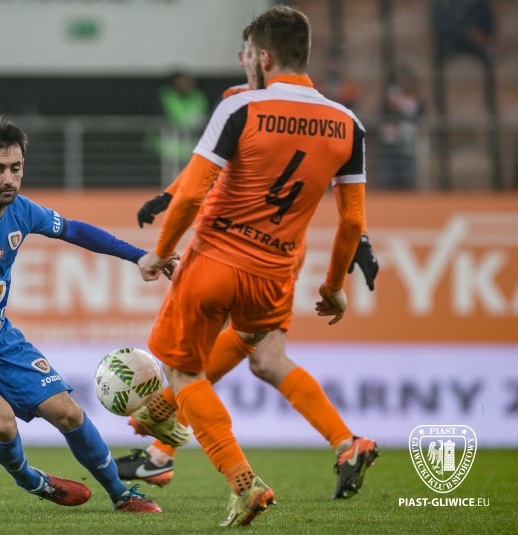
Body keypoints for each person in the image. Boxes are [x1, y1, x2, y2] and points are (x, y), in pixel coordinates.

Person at [134, 7, 377, 527]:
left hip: (216, 259)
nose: (242, 60)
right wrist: (334, 286)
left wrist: (160, 250)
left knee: (185, 371)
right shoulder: (348, 123)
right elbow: (353, 221)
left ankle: (233, 478)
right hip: (276, 272)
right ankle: (162, 433)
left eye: (246, 53)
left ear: (262, 58)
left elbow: (196, 190)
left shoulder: (241, 106)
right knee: (259, 351)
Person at [0, 117, 166, 513]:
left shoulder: (22, 211)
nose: (9, 179)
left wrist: (139, 256)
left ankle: (121, 494)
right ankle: (29, 478)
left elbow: (75, 230)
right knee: (2, 422)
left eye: (15, 168)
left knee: (68, 412)